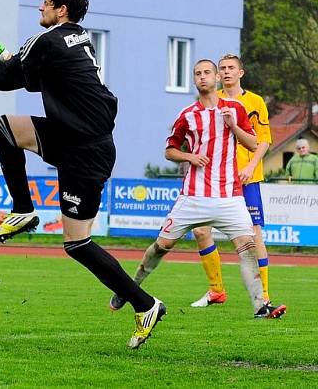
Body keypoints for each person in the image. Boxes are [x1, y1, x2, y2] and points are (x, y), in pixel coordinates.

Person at [0, 0, 164, 349]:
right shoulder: (74, 37)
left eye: (45, 1)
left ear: (61, 9)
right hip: (75, 136)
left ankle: (145, 304)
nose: (40, 7)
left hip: (85, 150)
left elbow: (1, 78)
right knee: (5, 128)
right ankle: (22, 210)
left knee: (77, 243)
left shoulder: (49, 40)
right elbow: (23, 69)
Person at [108, 59, 286, 320]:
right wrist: (189, 157)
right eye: (197, 74)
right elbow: (169, 150)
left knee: (247, 246)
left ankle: (261, 305)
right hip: (194, 197)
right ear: (195, 80)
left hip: (229, 196)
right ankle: (128, 288)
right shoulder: (187, 115)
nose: (202, 77)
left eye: (207, 73)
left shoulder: (235, 108)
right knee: (162, 245)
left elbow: (253, 143)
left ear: (216, 78)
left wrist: (233, 126)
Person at [191, 54, 275, 307]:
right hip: (216, 178)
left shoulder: (254, 101)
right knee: (200, 230)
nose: (227, 72)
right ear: (218, 75)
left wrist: (251, 165)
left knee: (254, 235)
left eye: (231, 68)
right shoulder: (209, 101)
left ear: (241, 73)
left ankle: (265, 296)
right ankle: (216, 290)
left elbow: (264, 140)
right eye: (223, 69)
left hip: (246, 178)